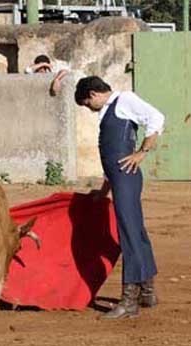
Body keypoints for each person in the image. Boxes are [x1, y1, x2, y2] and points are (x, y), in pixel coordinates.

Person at [73, 76, 165, 319]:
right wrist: (104, 191)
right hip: (120, 179)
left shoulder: (124, 100)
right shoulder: (111, 108)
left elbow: (156, 118)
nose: (89, 109)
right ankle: (147, 291)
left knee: (129, 235)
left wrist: (141, 152)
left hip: (127, 177)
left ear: (93, 94)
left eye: (86, 104)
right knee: (136, 232)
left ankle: (129, 301)